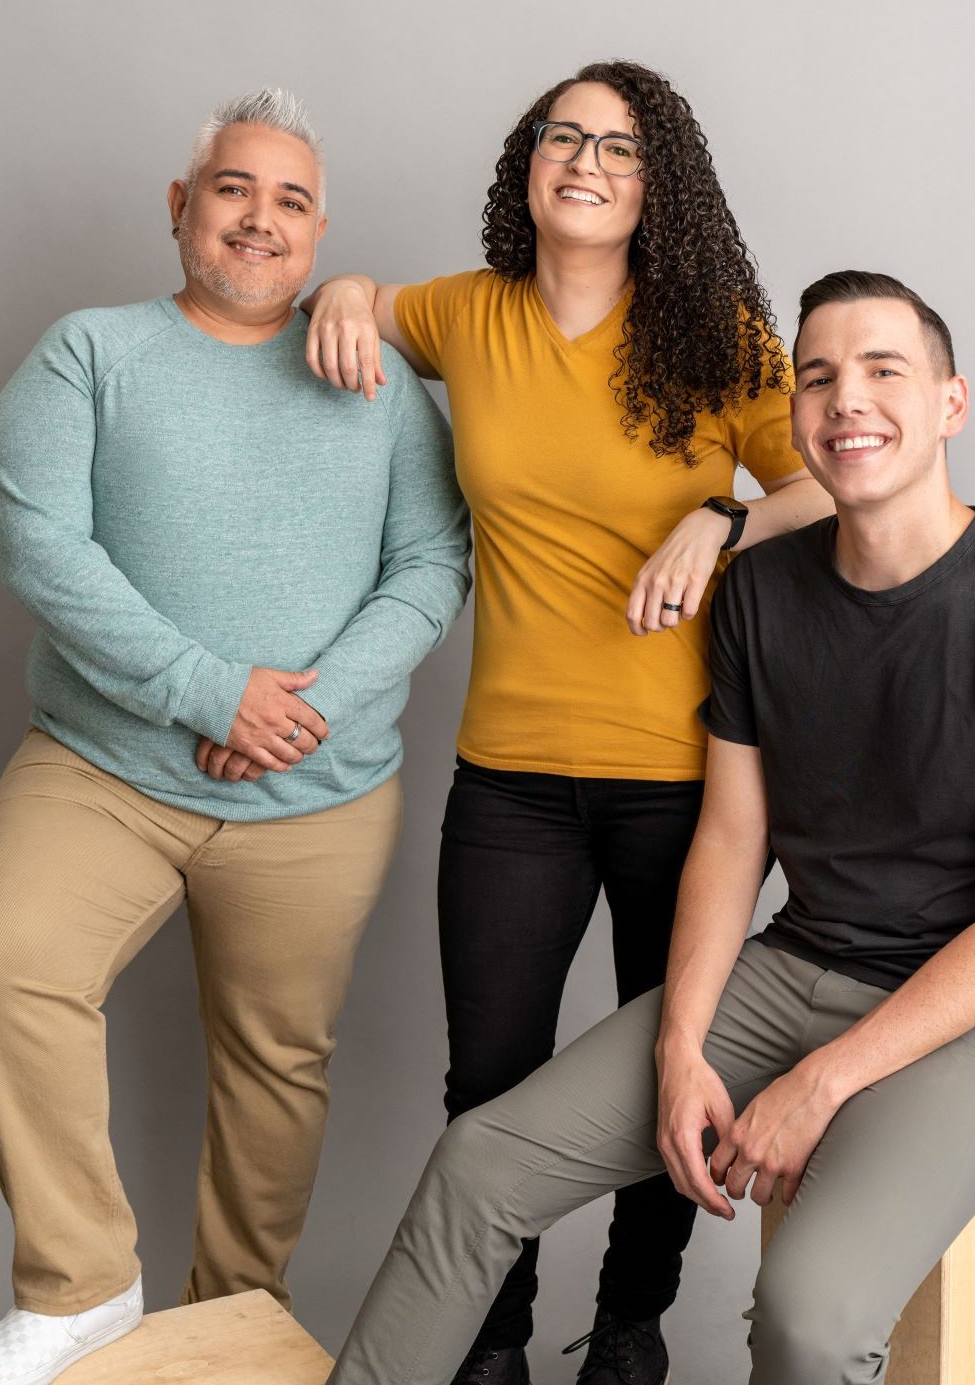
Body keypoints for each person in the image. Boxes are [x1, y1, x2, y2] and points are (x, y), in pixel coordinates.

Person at [322, 271, 975, 1385]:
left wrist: (825, 1080)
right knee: (478, 1162)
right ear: (794, 415)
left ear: (951, 403)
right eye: (818, 377)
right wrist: (679, 1042)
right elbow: (729, 841)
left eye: (884, 371)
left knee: (807, 1314)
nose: (847, 399)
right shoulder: (760, 593)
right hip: (795, 965)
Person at [303, 60, 830, 1385]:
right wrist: (351, 290)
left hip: (686, 784)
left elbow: (836, 478)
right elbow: (356, 302)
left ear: (662, 189)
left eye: (620, 147)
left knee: (669, 1069)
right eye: (563, 137)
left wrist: (722, 518)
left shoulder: (713, 337)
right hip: (511, 785)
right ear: (526, 164)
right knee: (489, 1084)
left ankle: (633, 1330)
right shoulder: (469, 316)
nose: (586, 160)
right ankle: (490, 1346)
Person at [0, 88, 469, 1385]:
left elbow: (433, 560)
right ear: (182, 209)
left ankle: (232, 1319)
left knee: (273, 1066)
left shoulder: (382, 382)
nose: (260, 217)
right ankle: (81, 1285)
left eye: (291, 199)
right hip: (102, 770)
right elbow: (42, 547)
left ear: (319, 231)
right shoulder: (89, 354)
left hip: (318, 790)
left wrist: (301, 712)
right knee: (3, 955)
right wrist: (208, 692)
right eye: (234, 188)